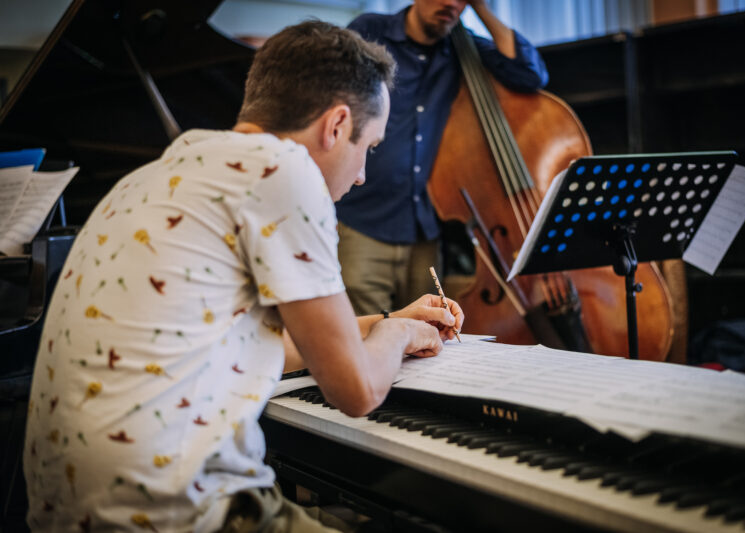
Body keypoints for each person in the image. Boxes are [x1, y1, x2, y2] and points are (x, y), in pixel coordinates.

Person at [23, 21, 464, 533]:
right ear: (337, 125)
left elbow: (261, 345)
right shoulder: (285, 172)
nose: (363, 174)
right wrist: (398, 333)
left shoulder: (154, 174)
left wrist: (387, 319)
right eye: (368, 147)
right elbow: (358, 391)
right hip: (172, 515)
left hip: (64, 510)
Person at [336, 0, 550, 316]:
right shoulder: (370, 30)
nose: (451, 2)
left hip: (425, 228)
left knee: (425, 339)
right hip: (362, 222)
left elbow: (529, 74)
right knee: (367, 339)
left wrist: (481, 9)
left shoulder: (462, 48)